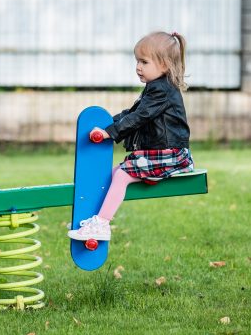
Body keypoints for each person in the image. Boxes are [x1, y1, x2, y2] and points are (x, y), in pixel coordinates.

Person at [68, 32, 194, 242]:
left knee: (122, 175)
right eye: (137, 61)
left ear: (164, 65)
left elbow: (139, 116)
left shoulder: (162, 90)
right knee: (111, 173)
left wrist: (110, 133)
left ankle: (101, 225)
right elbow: (133, 112)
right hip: (159, 153)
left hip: (170, 154)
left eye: (144, 62)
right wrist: (109, 125)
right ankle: (93, 218)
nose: (138, 67)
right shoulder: (155, 88)